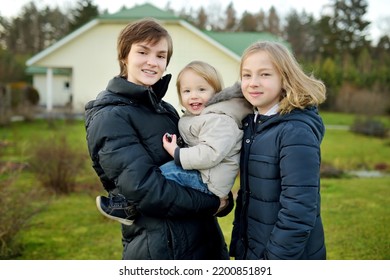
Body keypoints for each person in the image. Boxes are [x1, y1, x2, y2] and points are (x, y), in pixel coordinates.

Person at [85, 18, 230, 260]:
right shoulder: (110, 117)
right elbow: (146, 191)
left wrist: (221, 191)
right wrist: (213, 203)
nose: (153, 62)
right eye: (143, 52)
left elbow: (198, 164)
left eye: (161, 56)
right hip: (163, 250)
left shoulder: (166, 109)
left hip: (205, 243)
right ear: (124, 56)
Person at [230, 41, 327, 260]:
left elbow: (298, 212)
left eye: (264, 74)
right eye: (247, 75)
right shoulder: (252, 126)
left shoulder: (295, 132)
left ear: (285, 78)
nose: (253, 83)